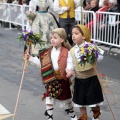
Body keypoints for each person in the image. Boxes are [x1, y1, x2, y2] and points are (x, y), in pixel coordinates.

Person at [25, 28, 77, 120]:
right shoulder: (46, 52)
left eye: (55, 38)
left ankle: (72, 114)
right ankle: (49, 117)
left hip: (62, 79)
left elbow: (70, 63)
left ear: (62, 39)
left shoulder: (67, 52)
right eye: (51, 37)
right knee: (49, 98)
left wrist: (69, 70)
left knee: (67, 98)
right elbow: (41, 63)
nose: (52, 39)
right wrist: (30, 58)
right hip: (50, 79)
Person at [70, 24, 104, 120]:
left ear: (84, 36)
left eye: (76, 33)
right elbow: (70, 63)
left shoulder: (90, 46)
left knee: (92, 99)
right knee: (80, 100)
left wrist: (94, 54)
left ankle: (96, 112)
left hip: (91, 78)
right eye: (72, 34)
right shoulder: (72, 50)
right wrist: (69, 70)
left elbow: (101, 56)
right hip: (79, 79)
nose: (73, 36)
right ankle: (83, 116)